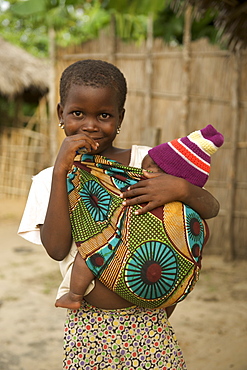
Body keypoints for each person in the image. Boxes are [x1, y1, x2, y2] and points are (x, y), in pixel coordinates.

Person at [18, 59, 220, 370]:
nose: (90, 125)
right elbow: (56, 249)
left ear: (120, 117)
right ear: (61, 114)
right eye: (77, 113)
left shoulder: (146, 163)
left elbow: (210, 209)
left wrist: (180, 189)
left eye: (104, 115)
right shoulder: (49, 179)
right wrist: (61, 170)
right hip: (89, 327)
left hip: (150, 322)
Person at [55, 124, 224, 311]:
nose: (142, 171)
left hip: (134, 265)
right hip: (161, 280)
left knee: (92, 248)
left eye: (149, 167)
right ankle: (167, 305)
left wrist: (182, 190)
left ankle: (74, 295)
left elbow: (212, 208)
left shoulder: (145, 185)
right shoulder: (189, 206)